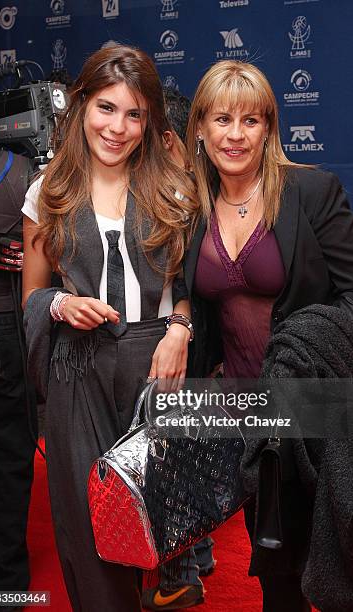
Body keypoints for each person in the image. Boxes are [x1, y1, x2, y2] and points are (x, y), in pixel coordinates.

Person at [184, 60, 353, 612]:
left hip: (319, 407)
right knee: (276, 568)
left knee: (348, 561)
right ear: (199, 127)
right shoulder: (192, 210)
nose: (235, 134)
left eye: (251, 120)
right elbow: (189, 300)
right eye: (222, 119)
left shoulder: (311, 190)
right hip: (247, 415)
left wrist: (308, 362)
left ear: (269, 128)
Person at [21, 45, 197, 612]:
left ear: (149, 122)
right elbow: (30, 295)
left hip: (158, 368)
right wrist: (59, 307)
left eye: (134, 114)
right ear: (80, 107)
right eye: (105, 108)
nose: (118, 128)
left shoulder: (174, 188)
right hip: (78, 370)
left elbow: (193, 286)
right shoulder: (46, 192)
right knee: (86, 529)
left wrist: (179, 329)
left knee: (157, 529)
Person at [142, 86, 215, 612]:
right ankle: (200, 555)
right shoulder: (201, 189)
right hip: (194, 340)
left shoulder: (182, 196)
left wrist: (179, 329)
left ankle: (182, 573)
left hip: (181, 339)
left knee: (170, 455)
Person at [0, 147, 37, 612]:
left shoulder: (19, 169)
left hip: (5, 327)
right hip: (3, 327)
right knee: (7, 459)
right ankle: (5, 588)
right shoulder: (19, 170)